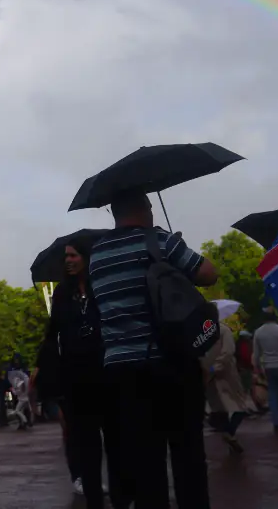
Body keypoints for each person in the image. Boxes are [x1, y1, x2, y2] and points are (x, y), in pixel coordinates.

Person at [89, 192, 217, 509]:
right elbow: (208, 273)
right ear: (141, 208)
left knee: (145, 459)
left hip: (121, 370)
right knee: (187, 451)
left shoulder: (96, 254)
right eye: (148, 206)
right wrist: (173, 248)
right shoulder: (160, 241)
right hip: (168, 362)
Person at [35, 235, 107, 506]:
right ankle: (93, 496)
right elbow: (53, 333)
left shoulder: (100, 287)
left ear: (86, 258)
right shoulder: (63, 294)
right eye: (66, 257)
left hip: (106, 370)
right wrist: (44, 367)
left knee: (115, 435)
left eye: (73, 256)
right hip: (76, 376)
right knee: (86, 441)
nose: (68, 261)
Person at [201, 307, 249, 455]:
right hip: (226, 374)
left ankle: (228, 436)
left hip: (207, 375)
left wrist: (206, 368)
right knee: (239, 406)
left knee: (218, 408)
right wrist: (217, 366)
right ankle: (229, 433)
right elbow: (228, 351)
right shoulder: (223, 330)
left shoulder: (199, 333)